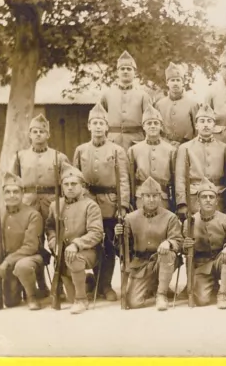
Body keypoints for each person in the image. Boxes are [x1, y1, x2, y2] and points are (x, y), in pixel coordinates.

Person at [74, 102, 131, 302]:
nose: (98, 127)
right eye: (94, 123)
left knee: (108, 246)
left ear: (107, 127)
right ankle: (94, 283)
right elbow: (76, 179)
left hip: (110, 204)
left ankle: (105, 285)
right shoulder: (80, 150)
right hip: (88, 204)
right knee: (92, 242)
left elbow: (123, 179)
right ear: (88, 126)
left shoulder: (117, 151)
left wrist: (122, 206)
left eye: (101, 123)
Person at [10, 113, 70, 298]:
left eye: (41, 131)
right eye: (34, 131)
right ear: (29, 134)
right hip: (29, 204)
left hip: (52, 203)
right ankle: (41, 284)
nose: (38, 135)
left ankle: (58, 284)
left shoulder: (59, 157)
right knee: (34, 244)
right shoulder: (20, 156)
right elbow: (13, 182)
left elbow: (69, 180)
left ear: (48, 135)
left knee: (57, 241)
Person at [114, 177, 183, 311]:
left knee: (167, 253)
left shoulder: (170, 217)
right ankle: (153, 285)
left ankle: (161, 295)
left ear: (160, 197)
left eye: (155, 196)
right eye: (148, 196)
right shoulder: (130, 218)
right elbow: (122, 249)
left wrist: (169, 243)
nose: (151, 200)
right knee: (134, 303)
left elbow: (178, 241)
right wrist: (119, 236)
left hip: (161, 259)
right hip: (141, 264)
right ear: (142, 198)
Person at [46, 162, 104, 314]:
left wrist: (77, 244)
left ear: (82, 186)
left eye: (74, 184)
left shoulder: (90, 206)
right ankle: (87, 282)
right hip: (63, 254)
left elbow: (96, 232)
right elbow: (50, 227)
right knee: (69, 297)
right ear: (62, 186)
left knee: (75, 260)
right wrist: (53, 243)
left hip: (87, 251)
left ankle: (82, 300)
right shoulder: (55, 206)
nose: (70, 187)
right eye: (66, 184)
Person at [182, 177, 226, 309]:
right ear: (198, 201)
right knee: (202, 300)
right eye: (204, 197)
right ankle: (213, 286)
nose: (208, 200)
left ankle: (222, 294)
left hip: (221, 259)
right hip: (201, 265)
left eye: (211, 197)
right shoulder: (190, 222)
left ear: (216, 201)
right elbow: (183, 249)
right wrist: (185, 246)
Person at [0, 172, 44, 310]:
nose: (11, 195)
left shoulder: (33, 215)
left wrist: (7, 261)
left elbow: (31, 246)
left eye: (16, 191)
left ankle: (32, 297)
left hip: (31, 258)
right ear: (3, 194)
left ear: (22, 193)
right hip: (8, 261)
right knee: (10, 302)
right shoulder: (0, 214)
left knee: (23, 266)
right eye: (7, 192)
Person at [176, 103, 226, 215]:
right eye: (202, 121)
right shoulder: (185, 148)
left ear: (214, 126)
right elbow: (180, 178)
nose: (206, 125)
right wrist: (182, 203)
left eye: (209, 121)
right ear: (196, 125)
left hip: (218, 197)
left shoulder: (224, 148)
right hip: (194, 198)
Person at [99, 50, 153, 150]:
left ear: (135, 73)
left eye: (129, 69)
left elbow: (150, 121)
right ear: (117, 72)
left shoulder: (143, 96)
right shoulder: (107, 95)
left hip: (137, 142)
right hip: (112, 142)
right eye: (122, 69)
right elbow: (99, 120)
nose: (125, 71)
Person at [128, 105, 177, 210]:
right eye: (149, 123)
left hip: (163, 197)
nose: (153, 126)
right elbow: (130, 179)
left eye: (156, 123)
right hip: (141, 197)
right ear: (143, 126)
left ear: (161, 126)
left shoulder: (171, 150)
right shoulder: (134, 150)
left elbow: (174, 179)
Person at [153, 62, 198, 147]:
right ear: (167, 83)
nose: (175, 83)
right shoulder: (159, 105)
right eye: (172, 80)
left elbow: (197, 130)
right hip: (164, 146)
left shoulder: (193, 104)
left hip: (187, 146)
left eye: (178, 80)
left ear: (183, 82)